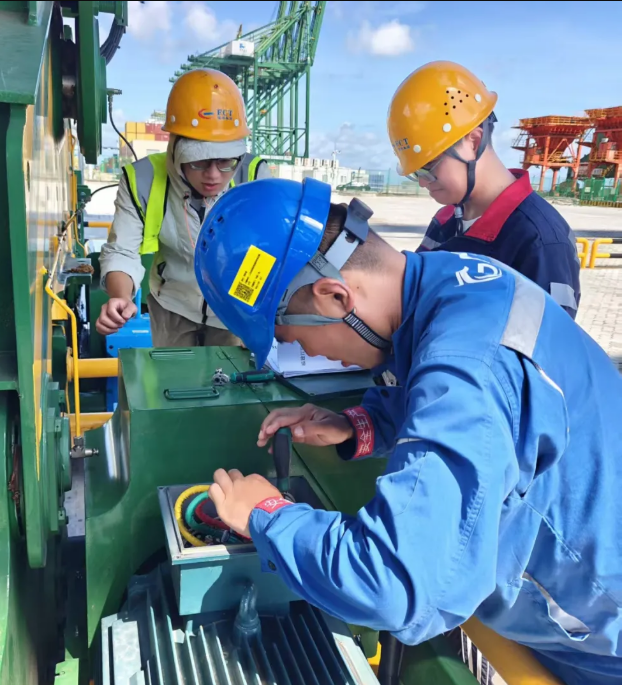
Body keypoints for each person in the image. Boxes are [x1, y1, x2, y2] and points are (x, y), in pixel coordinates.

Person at [194, 176, 622, 685]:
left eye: (292, 339)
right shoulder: (452, 284)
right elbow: (452, 404)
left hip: (599, 639)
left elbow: (394, 584)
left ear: (334, 296)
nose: (305, 354)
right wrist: (356, 424)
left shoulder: (469, 367)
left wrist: (266, 514)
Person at [388, 60, 581, 320]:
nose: (423, 182)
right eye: (416, 173)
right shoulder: (445, 220)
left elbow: (552, 339)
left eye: (429, 166)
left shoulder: (541, 240)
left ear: (473, 141)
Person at [97, 68, 271, 347]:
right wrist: (121, 296)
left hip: (235, 308)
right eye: (198, 161)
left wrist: (244, 307)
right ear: (176, 149)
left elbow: (269, 250)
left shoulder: (255, 177)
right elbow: (122, 251)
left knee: (233, 373)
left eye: (225, 162)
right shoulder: (142, 180)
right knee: (173, 372)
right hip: (172, 304)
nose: (213, 175)